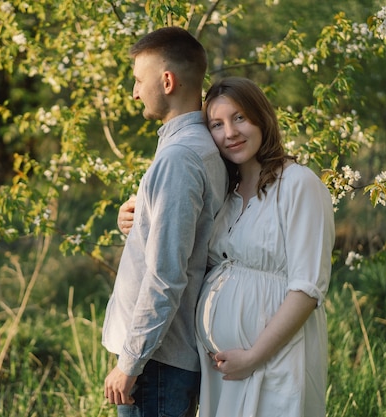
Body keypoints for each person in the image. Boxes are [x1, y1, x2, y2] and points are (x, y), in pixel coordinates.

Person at [118, 77, 335, 417]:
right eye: (216, 124)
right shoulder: (228, 192)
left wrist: (254, 356)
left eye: (239, 118)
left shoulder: (299, 184)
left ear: (262, 118)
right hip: (222, 371)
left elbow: (307, 289)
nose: (229, 133)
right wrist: (136, 216)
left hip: (274, 358)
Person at [102, 27, 228, 417]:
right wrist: (138, 224)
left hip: (157, 362)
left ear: (167, 81)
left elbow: (166, 276)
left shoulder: (180, 158)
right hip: (163, 358)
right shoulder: (196, 147)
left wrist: (130, 363)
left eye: (139, 80)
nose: (135, 92)